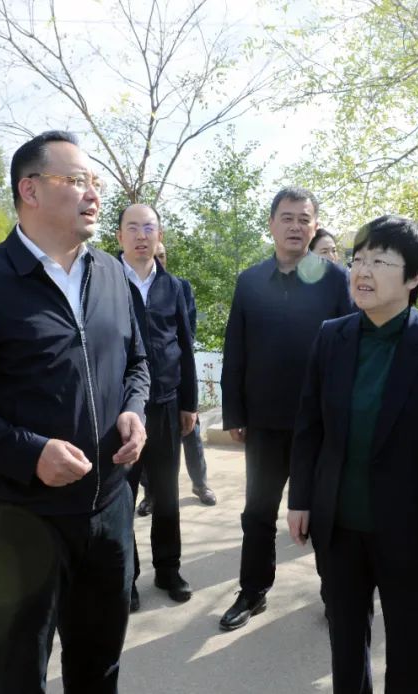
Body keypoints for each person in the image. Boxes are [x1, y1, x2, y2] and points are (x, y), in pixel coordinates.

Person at [0, 130, 150, 693]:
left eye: (95, 182)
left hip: (110, 511)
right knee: (20, 674)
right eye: (77, 180)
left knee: (99, 668)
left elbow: (138, 364)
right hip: (22, 519)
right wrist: (29, 454)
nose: (94, 194)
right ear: (30, 190)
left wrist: (134, 410)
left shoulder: (113, 274)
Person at [287, 215, 418, 692]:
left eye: (379, 261)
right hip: (338, 524)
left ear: (414, 277)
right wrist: (300, 499)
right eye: (358, 260)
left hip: (410, 530)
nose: (362, 272)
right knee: (346, 641)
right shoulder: (331, 336)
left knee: (413, 643)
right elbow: (309, 427)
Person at [219, 186, 353, 631]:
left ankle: (336, 595)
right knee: (258, 512)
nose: (296, 226)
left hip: (322, 423)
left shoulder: (335, 280)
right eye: (287, 218)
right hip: (265, 421)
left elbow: (352, 348)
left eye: (304, 219)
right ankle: (252, 591)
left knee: (326, 514)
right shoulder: (250, 281)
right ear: (272, 224)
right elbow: (235, 349)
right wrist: (235, 412)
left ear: (315, 226)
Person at [116, 204, 198, 611]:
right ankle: (125, 578)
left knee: (167, 493)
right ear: (119, 236)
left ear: (159, 235)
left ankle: (168, 569)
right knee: (122, 497)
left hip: (165, 405)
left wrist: (190, 404)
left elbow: (185, 345)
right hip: (120, 410)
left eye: (149, 227)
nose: (141, 235)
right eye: (133, 227)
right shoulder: (106, 281)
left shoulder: (174, 286)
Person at [136, 241, 217, 515]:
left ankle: (200, 484)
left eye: (162, 255)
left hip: (178, 377)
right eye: (155, 255)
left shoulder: (178, 286)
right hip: (146, 384)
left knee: (191, 434)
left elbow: (187, 333)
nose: (159, 259)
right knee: (147, 442)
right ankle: (150, 494)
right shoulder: (130, 286)